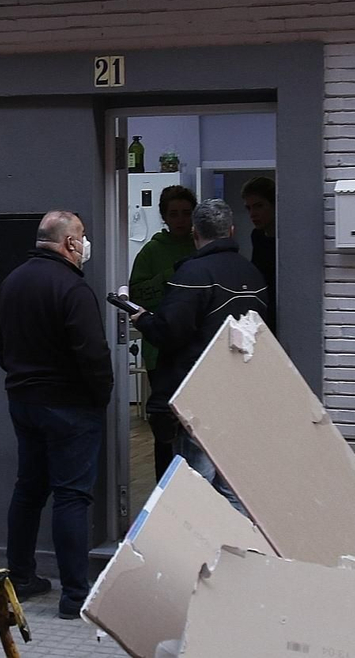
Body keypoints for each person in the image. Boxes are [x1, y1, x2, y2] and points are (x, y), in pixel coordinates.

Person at [0, 210, 112, 620]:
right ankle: (75, 596)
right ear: (70, 244)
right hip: (71, 408)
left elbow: (0, 345)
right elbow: (93, 354)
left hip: (24, 403)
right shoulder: (73, 289)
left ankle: (20, 579)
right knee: (72, 496)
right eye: (82, 235)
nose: (85, 243)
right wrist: (101, 397)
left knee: (28, 489)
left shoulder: (12, 281)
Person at [128, 199, 267, 502]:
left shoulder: (193, 273)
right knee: (232, 486)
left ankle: (197, 547)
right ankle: (237, 546)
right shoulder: (252, 273)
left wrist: (143, 319)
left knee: (196, 486)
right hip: (241, 390)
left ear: (195, 233)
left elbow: (170, 332)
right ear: (231, 230)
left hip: (199, 391)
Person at [126, 184, 196, 477]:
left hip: (195, 350)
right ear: (164, 217)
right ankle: (163, 488)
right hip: (160, 352)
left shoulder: (199, 246)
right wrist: (169, 277)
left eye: (186, 213)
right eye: (174, 214)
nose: (180, 219)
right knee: (165, 426)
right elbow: (136, 295)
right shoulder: (151, 251)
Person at [241, 176, 277, 334]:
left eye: (259, 206)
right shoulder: (257, 236)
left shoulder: (287, 240)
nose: (253, 214)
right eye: (248, 208)